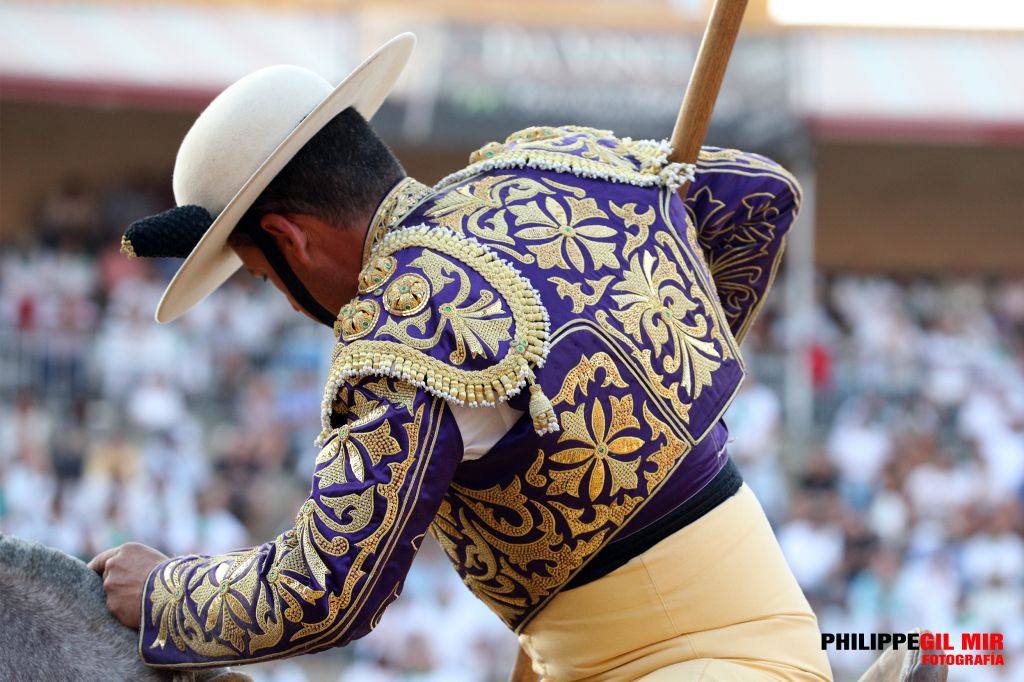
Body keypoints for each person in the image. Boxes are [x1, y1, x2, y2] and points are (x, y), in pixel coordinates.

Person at [89, 33, 834, 681]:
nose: (287, 302)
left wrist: (166, 592)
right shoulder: (544, 166)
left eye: (261, 274)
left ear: (291, 241)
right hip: (763, 635)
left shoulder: (400, 328)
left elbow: (323, 590)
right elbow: (755, 197)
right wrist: (659, 377)